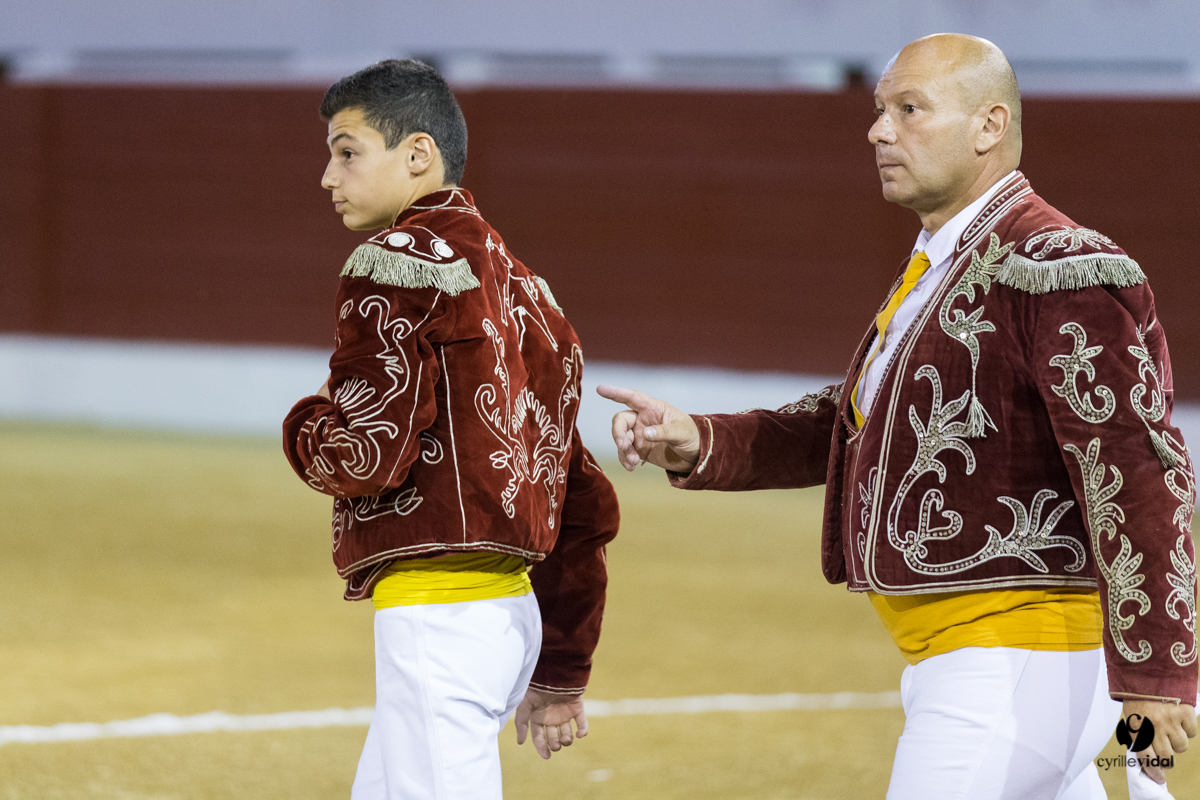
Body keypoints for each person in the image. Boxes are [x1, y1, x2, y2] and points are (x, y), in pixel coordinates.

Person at [600, 34, 1196, 799]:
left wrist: (1156, 671)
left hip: (1018, 661)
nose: (879, 131)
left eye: (910, 109)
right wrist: (700, 441)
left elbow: (1138, 470)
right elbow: (857, 427)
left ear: (987, 126)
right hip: (975, 661)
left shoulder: (1053, 268)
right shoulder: (947, 263)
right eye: (881, 110)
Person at [282, 59, 620, 799]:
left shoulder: (394, 261)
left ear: (417, 155)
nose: (327, 178)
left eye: (347, 152)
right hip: (510, 617)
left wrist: (305, 424)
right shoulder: (531, 290)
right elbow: (579, 498)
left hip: (440, 614)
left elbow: (368, 454)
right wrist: (559, 664)